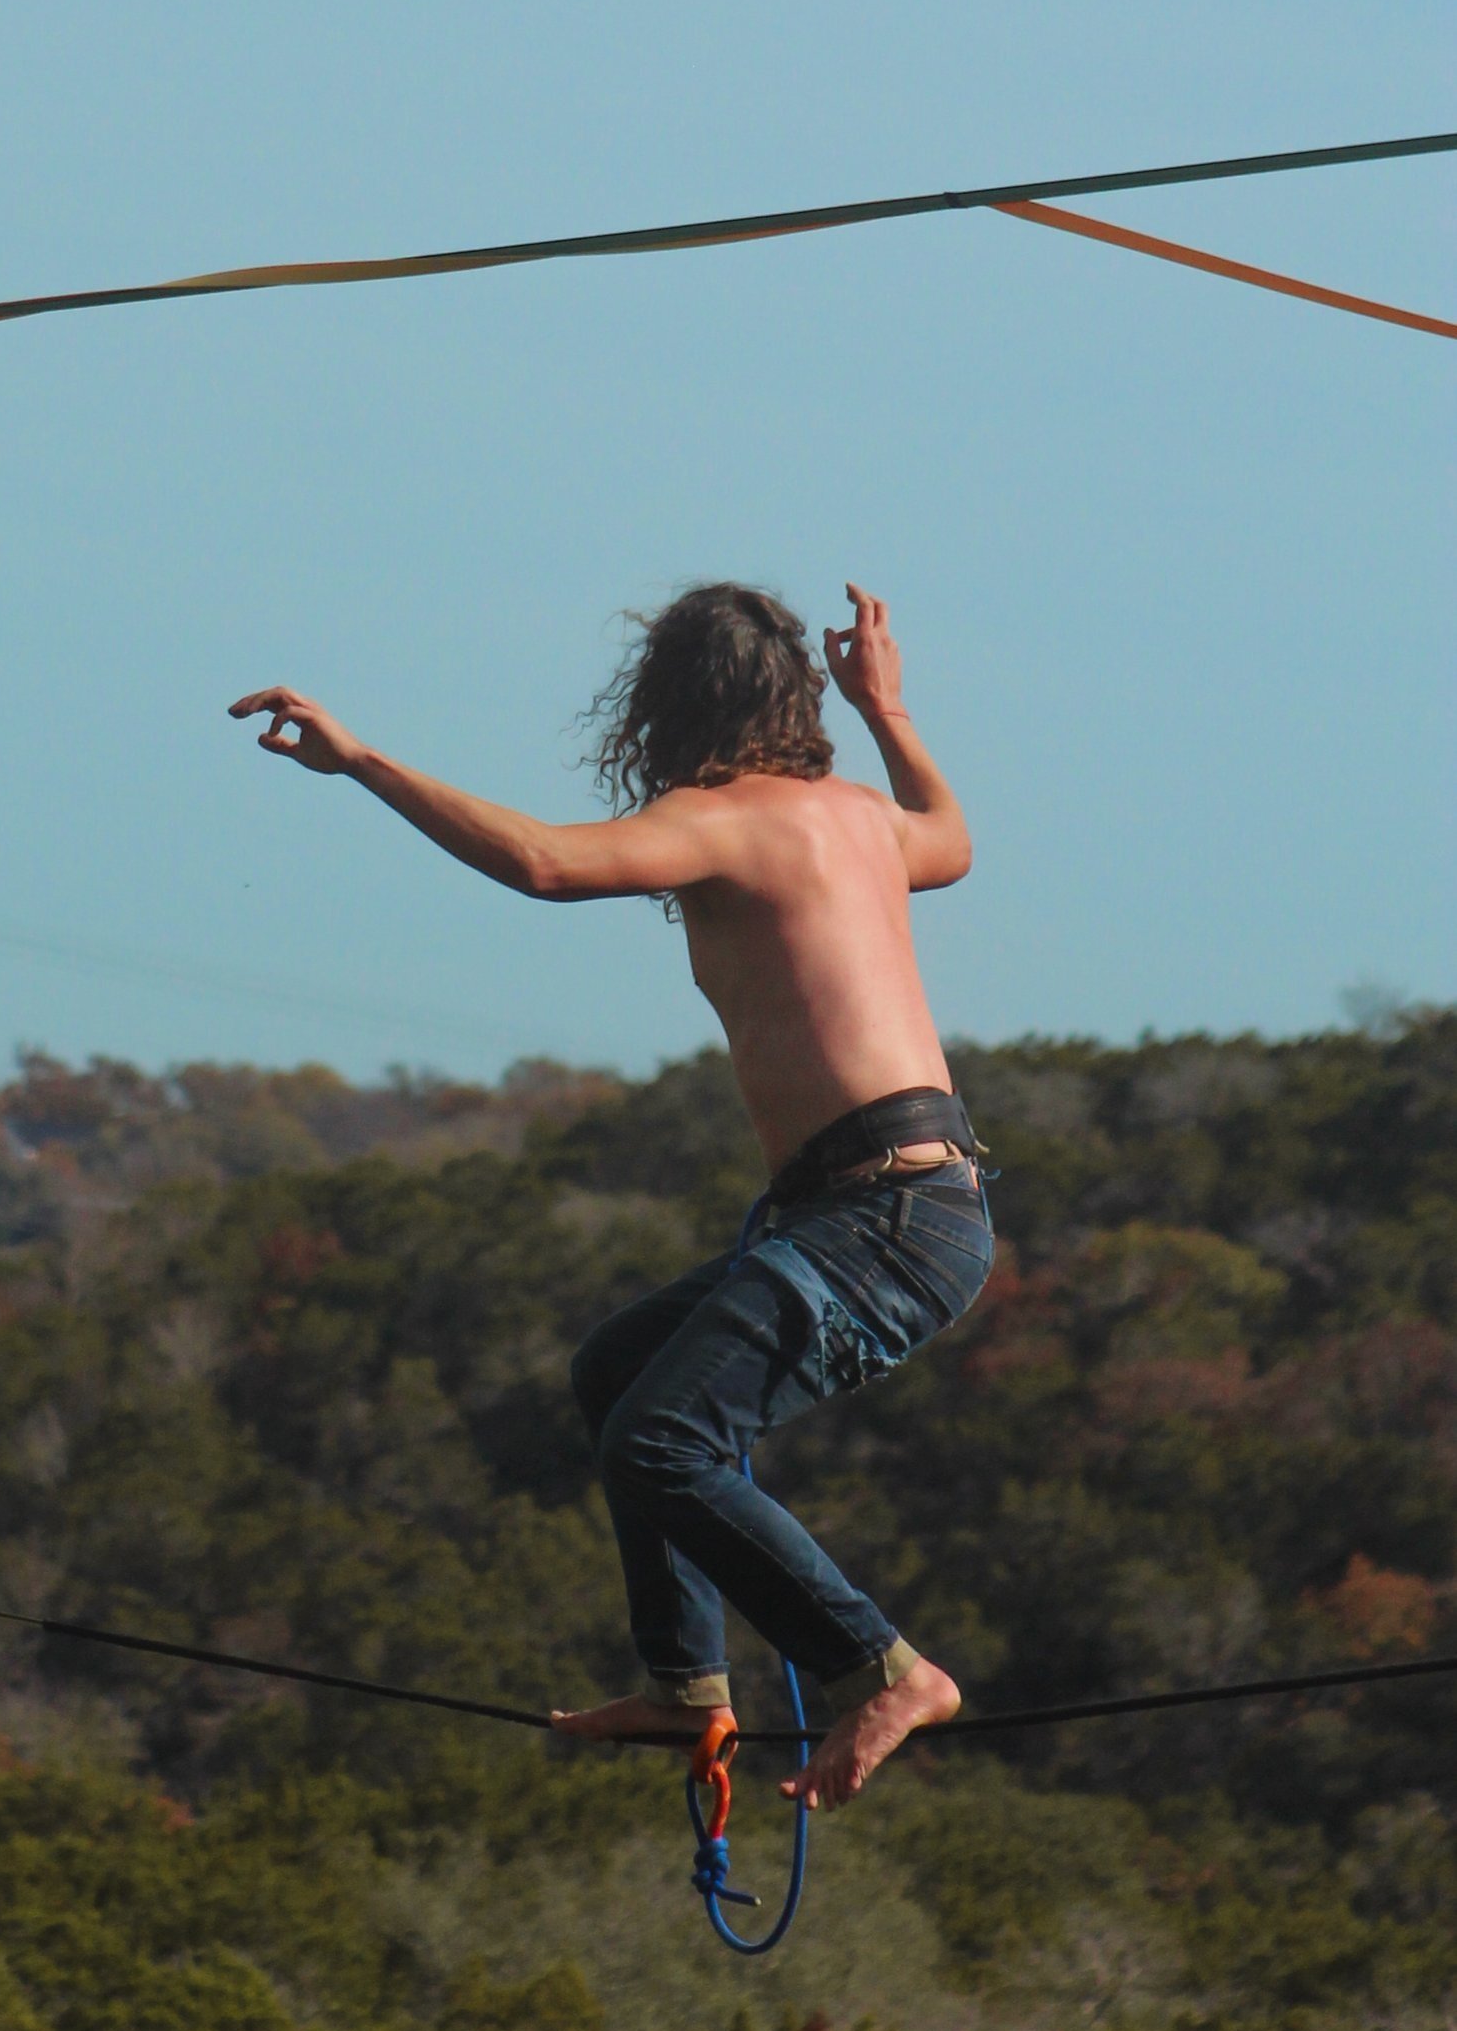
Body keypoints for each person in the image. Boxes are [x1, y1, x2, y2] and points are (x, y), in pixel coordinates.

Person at [231, 580, 990, 1811]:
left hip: (881, 1216)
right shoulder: (856, 815)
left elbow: (539, 859)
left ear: (667, 703)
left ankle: (884, 1669)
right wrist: (889, 711)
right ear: (795, 694)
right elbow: (949, 835)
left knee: (662, 1436)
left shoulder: (724, 819)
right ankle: (689, 1681)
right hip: (902, 1207)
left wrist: (361, 759)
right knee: (616, 1372)